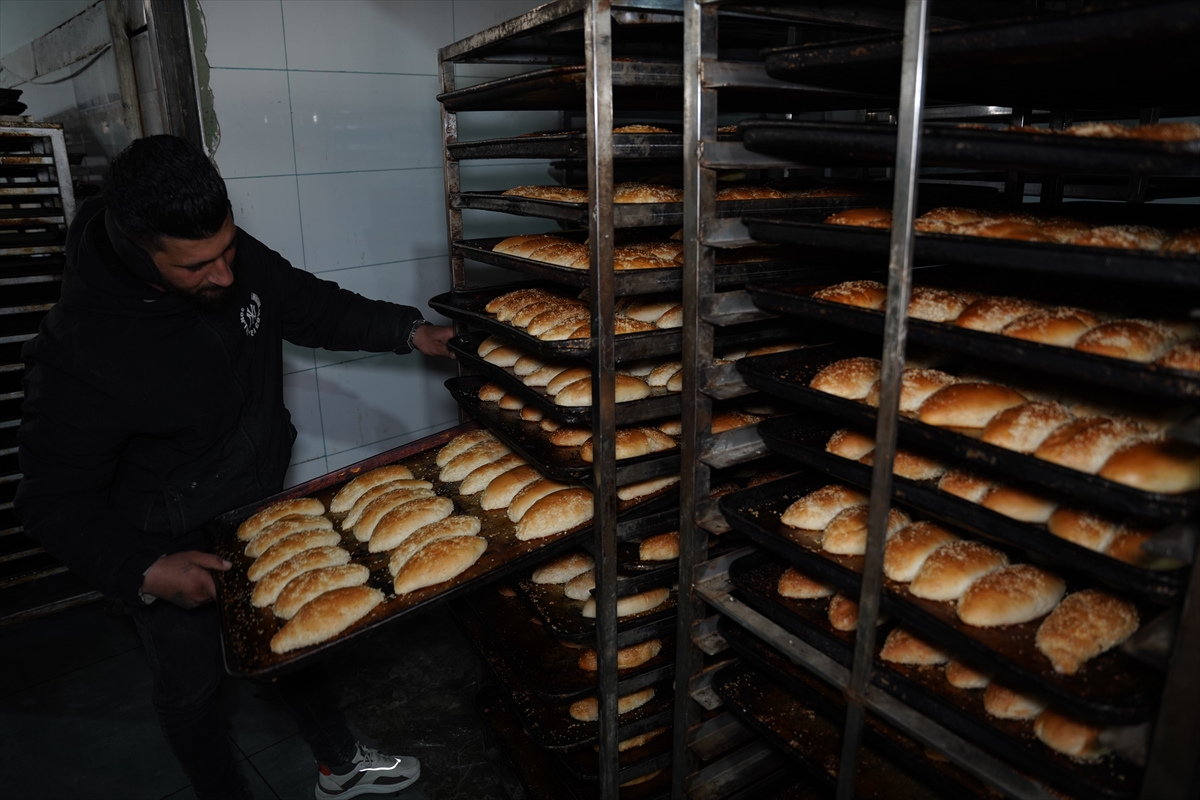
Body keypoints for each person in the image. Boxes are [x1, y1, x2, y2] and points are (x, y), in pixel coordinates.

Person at [16, 135, 455, 800]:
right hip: (167, 538)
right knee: (190, 686)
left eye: (227, 250)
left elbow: (309, 304)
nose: (224, 276)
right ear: (139, 250)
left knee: (294, 640)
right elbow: (49, 499)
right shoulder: (81, 350)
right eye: (197, 266)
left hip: (255, 501)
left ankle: (339, 765)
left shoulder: (223, 254)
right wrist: (143, 569)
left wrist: (409, 331)